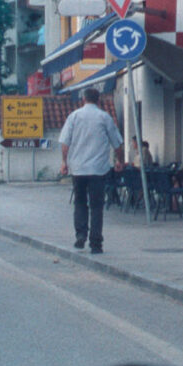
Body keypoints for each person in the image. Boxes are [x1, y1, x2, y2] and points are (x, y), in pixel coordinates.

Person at [59, 87, 123, 254]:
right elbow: (117, 143)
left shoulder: (74, 117)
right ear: (98, 100)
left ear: (83, 100)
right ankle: (96, 243)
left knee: (80, 202)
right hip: (98, 170)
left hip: (78, 169)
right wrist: (119, 160)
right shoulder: (105, 117)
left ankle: (80, 235)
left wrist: (64, 162)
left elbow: (65, 143)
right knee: (96, 206)